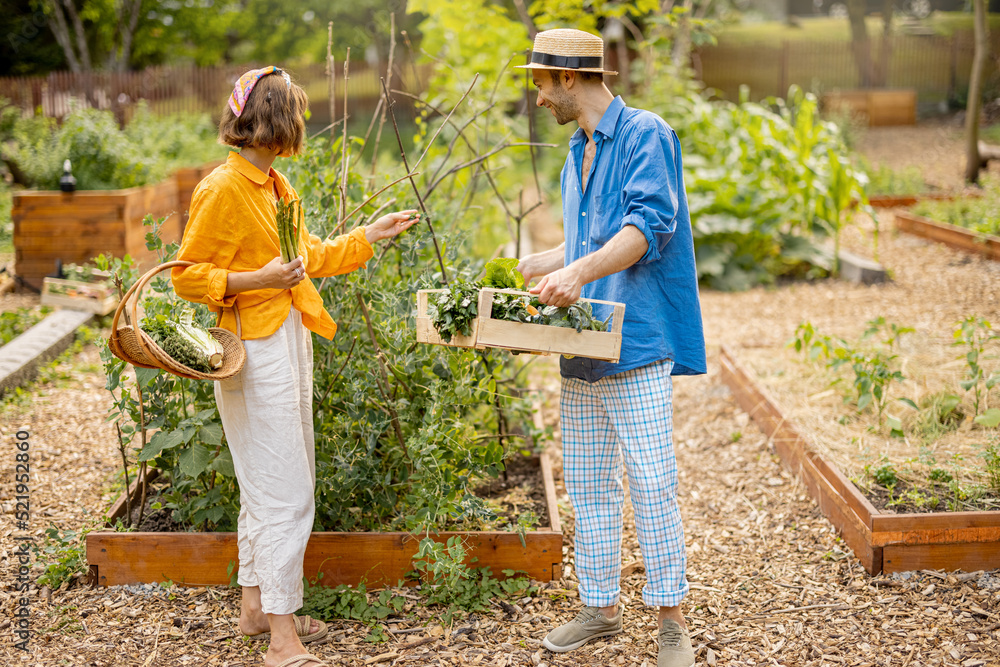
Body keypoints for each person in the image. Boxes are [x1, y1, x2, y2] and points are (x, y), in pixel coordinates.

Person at [171, 66, 419, 667]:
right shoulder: (223, 189)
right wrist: (258, 279)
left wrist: (368, 235)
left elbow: (307, 259)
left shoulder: (275, 188)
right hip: (252, 351)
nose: (301, 125)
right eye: (296, 114)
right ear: (275, 121)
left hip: (284, 338)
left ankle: (256, 609)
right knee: (286, 490)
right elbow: (186, 276)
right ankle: (282, 640)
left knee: (268, 482)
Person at [515, 29, 706, 667]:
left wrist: (576, 275)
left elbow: (646, 229)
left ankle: (671, 619)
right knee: (590, 484)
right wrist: (530, 266)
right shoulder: (579, 148)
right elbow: (584, 243)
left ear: (570, 78)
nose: (537, 96)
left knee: (651, 482)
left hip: (640, 337)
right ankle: (599, 607)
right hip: (584, 341)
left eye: (541, 82)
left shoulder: (646, 134)